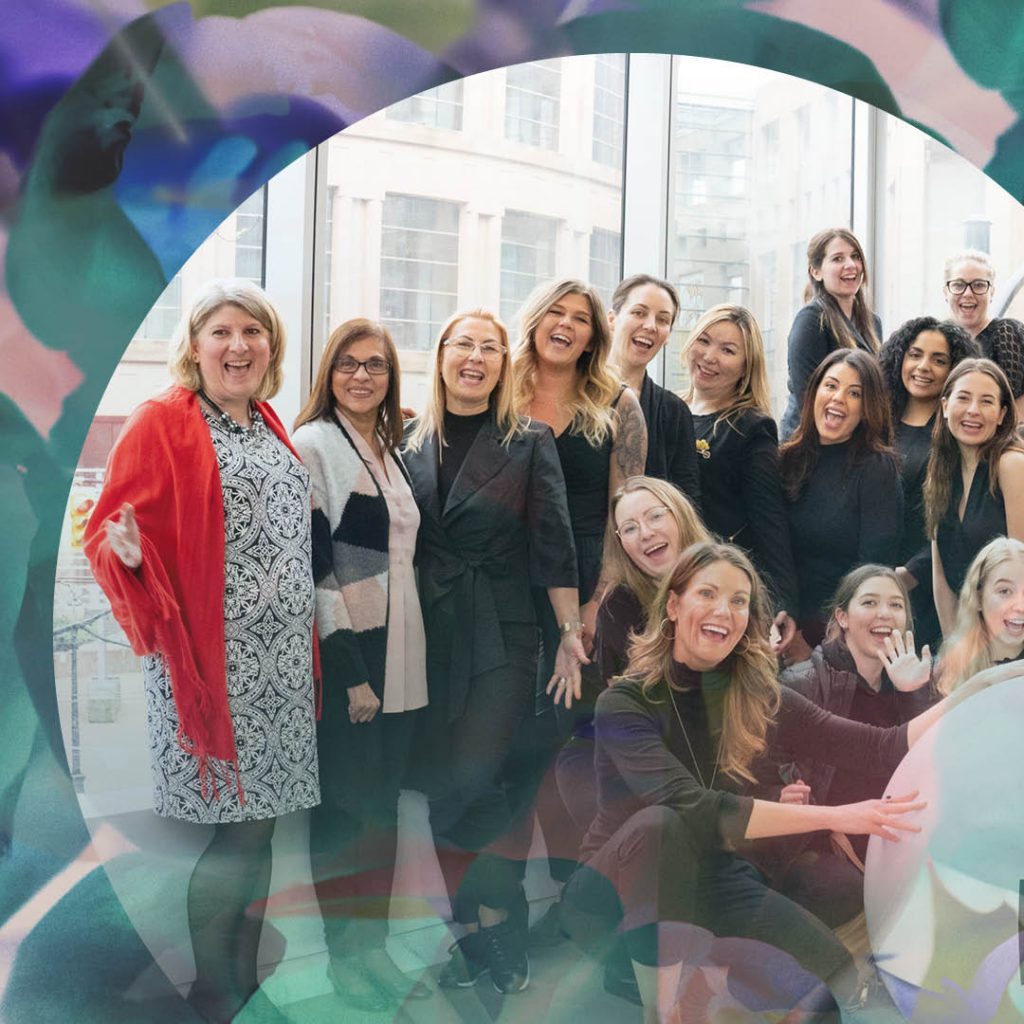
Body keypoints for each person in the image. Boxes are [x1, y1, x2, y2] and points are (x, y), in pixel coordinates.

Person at [559, 540, 1009, 1023]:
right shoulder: (625, 702)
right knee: (661, 825)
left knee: (829, 982)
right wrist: (836, 814)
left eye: (738, 601)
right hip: (615, 894)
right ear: (673, 603)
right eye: (707, 594)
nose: (723, 611)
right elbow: (691, 806)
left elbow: (880, 747)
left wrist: (976, 690)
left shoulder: (754, 696)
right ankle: (660, 1010)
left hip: (709, 877)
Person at [84, 279, 318, 1024]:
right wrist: (127, 556)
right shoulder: (163, 419)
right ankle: (214, 995)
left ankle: (243, 984)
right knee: (238, 831)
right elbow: (107, 530)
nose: (238, 345)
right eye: (221, 331)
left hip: (281, 668)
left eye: (253, 332)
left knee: (265, 826)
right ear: (194, 345)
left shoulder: (268, 422)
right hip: (215, 668)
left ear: (271, 348)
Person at [403, 308, 583, 995]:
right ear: (441, 353)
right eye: (463, 345)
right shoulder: (405, 439)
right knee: (441, 795)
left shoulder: (529, 440)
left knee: (479, 782)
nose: (475, 358)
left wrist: (568, 637)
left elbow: (555, 546)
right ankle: (474, 932)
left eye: (490, 347)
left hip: (505, 633)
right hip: (425, 636)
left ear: (504, 364)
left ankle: (498, 923)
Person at [291, 320, 430, 1011]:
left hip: (403, 646)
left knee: (379, 815)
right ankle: (345, 964)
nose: (361, 375)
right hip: (358, 653)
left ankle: (372, 952)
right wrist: (350, 671)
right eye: (347, 364)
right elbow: (317, 571)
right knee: (344, 818)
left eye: (375, 364)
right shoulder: (316, 444)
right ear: (328, 372)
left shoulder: (387, 446)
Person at [774, 565, 938, 926]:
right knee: (837, 887)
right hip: (825, 839)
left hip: (894, 832)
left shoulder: (911, 677)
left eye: (896, 605)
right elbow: (776, 761)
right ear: (842, 617)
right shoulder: (803, 680)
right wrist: (806, 808)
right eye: (870, 602)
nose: (885, 613)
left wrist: (915, 694)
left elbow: (930, 766)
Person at [680, 304, 798, 652]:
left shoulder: (750, 426)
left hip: (721, 586)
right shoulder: (670, 410)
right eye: (704, 341)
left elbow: (769, 519)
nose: (710, 356)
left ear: (747, 367)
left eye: (728, 350)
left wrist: (782, 600)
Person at [780, 348, 903, 653]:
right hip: (780, 624)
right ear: (814, 393)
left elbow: (873, 568)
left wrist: (814, 644)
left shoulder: (877, 468)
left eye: (854, 393)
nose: (838, 398)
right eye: (831, 386)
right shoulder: (786, 458)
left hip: (839, 636)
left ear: (866, 408)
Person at [878, 317, 979, 646]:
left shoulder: (954, 434)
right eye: (915, 354)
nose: (924, 367)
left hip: (920, 588)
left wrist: (909, 574)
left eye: (939, 360)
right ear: (899, 358)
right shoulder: (877, 422)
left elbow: (956, 520)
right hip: (866, 577)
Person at [924, 358, 1024, 636]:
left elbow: (1020, 571)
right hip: (966, 637)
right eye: (964, 398)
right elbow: (941, 578)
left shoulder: (1012, 465)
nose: (973, 411)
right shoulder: (940, 471)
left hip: (1013, 634)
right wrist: (952, 650)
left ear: (1003, 414)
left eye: (987, 402)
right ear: (945, 406)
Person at [607, 274, 701, 510]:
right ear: (611, 319)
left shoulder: (673, 411)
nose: (650, 325)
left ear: (668, 335)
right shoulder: (572, 391)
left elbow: (686, 501)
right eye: (639, 313)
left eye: (662, 319)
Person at [780, 228, 881, 439]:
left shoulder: (873, 323)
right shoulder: (811, 319)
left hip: (854, 438)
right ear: (816, 272)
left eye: (855, 256)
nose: (851, 265)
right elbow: (807, 396)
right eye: (837, 259)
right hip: (811, 444)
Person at [942, 248, 1024, 417]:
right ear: (946, 292)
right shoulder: (935, 340)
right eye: (958, 285)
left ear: (992, 292)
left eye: (979, 285)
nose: (968, 293)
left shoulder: (1009, 332)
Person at [937, 536, 1024, 693]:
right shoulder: (947, 669)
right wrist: (912, 692)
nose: (1020, 606)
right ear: (977, 598)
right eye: (1005, 591)